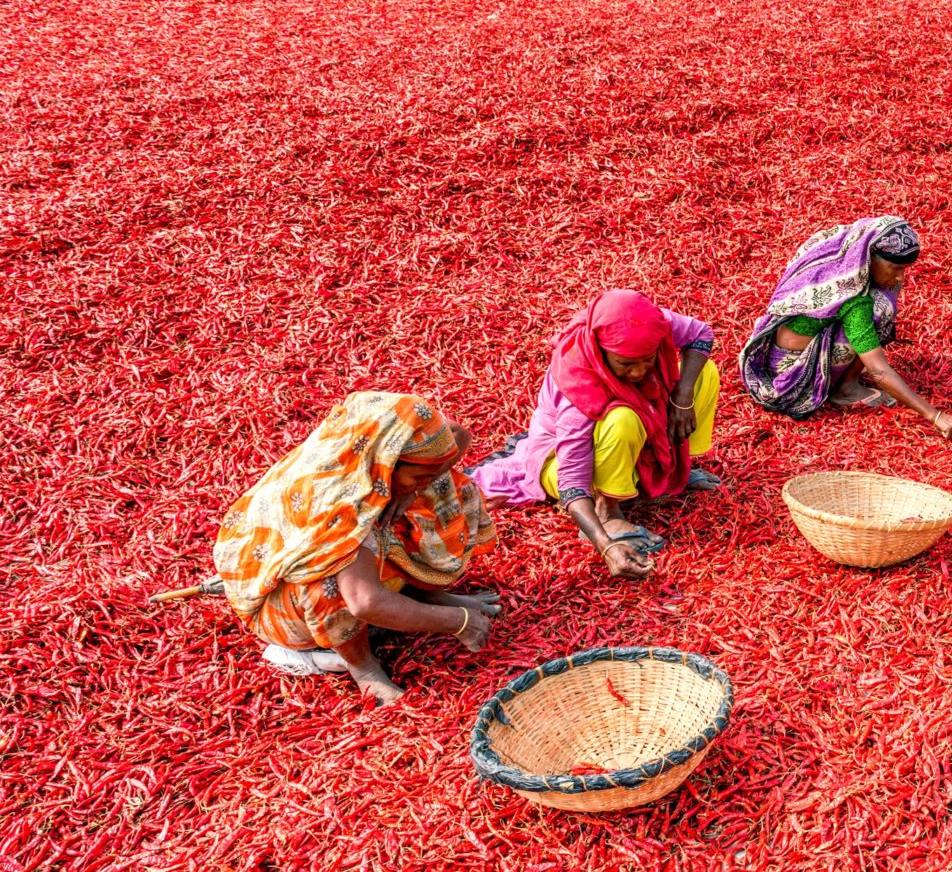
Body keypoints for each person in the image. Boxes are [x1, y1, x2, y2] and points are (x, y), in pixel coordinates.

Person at [213, 392, 500, 705]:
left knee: (449, 487)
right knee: (331, 585)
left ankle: (424, 592)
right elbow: (364, 603)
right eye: (416, 476)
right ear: (387, 464)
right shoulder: (341, 504)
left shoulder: (377, 442)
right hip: (282, 604)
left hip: (360, 525)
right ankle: (363, 667)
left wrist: (413, 487)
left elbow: (456, 438)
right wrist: (457, 621)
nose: (421, 482)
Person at [472, 290, 720, 581]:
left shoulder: (653, 324)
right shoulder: (578, 384)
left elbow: (701, 334)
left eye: (648, 359)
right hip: (561, 462)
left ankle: (676, 465)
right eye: (626, 364)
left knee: (704, 373)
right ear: (601, 352)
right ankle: (608, 510)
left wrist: (683, 396)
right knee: (622, 418)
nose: (639, 371)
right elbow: (573, 481)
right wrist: (604, 545)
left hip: (634, 433)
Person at [738, 216, 952, 441]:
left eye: (905, 269)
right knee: (879, 308)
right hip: (792, 380)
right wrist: (935, 416)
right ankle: (846, 389)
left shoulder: (836, 248)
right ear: (869, 257)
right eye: (895, 267)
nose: (899, 277)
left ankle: (843, 375)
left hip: (769, 357)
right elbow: (879, 371)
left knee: (877, 302)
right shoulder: (854, 300)